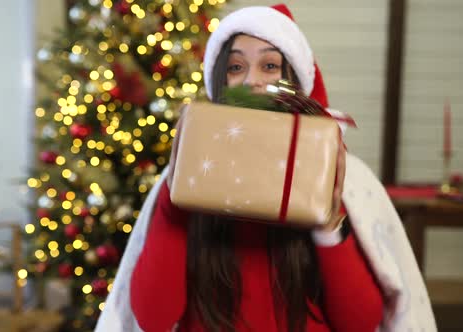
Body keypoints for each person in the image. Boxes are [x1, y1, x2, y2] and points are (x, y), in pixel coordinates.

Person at [95, 4, 437, 332]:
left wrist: (328, 226)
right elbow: (153, 318)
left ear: (296, 82)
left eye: (270, 66)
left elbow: (359, 323)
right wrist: (177, 201)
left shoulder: (341, 176)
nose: (251, 81)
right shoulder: (187, 177)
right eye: (235, 67)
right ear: (219, 82)